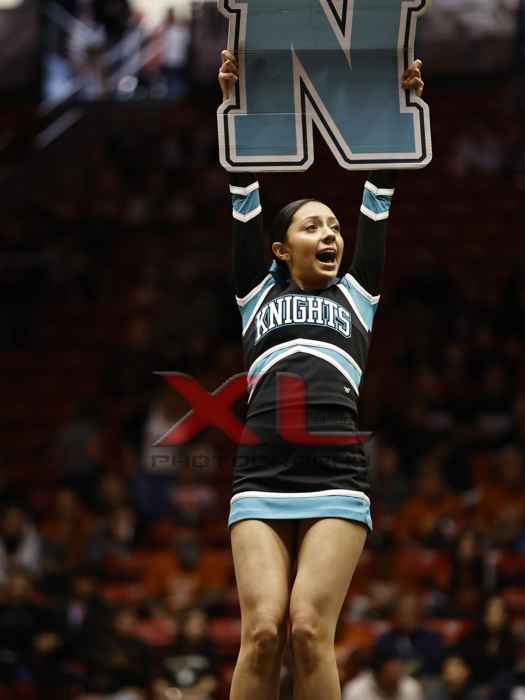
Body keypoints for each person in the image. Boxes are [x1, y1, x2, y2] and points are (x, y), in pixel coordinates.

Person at [217, 49, 424, 700]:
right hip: (261, 474)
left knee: (308, 630)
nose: (331, 233)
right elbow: (243, 196)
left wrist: (397, 110)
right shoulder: (256, 292)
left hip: (336, 474)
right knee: (261, 634)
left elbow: (378, 199)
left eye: (334, 226)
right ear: (281, 249)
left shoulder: (357, 296)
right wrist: (232, 105)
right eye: (313, 226)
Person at [342, 645, 423, 700]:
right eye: (393, 668)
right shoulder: (355, 691)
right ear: (378, 673)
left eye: (398, 666)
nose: (398, 671)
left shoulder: (411, 687)